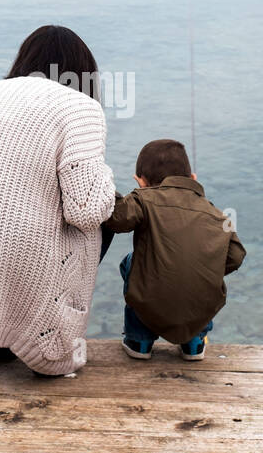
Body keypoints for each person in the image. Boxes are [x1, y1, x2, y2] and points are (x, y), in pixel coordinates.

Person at [0, 25, 116, 375]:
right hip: (16, 253)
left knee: (3, 213)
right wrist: (107, 180)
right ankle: (51, 339)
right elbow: (87, 209)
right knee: (107, 217)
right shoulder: (82, 107)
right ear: (85, 72)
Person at [104, 139, 245, 360]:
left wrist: (104, 187)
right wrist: (205, 266)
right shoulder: (217, 216)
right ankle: (194, 344)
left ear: (142, 181)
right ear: (193, 179)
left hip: (151, 298)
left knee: (129, 263)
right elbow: (236, 256)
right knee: (202, 278)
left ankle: (139, 341)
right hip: (200, 306)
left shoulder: (144, 199)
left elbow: (117, 218)